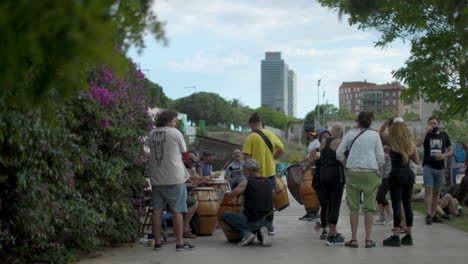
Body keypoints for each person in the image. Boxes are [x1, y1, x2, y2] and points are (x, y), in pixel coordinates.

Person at [336, 110, 384, 248]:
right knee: (369, 207)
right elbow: (380, 157)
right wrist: (380, 174)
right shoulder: (375, 135)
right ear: (370, 122)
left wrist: (346, 165)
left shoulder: (350, 134)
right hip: (370, 172)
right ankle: (368, 240)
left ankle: (354, 239)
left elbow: (339, 153)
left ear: (357, 121)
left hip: (353, 172)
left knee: (354, 207)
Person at [148, 110, 195, 251]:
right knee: (178, 210)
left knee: (156, 210)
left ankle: (157, 242)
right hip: (174, 177)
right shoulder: (175, 133)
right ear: (169, 121)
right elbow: (185, 155)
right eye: (174, 121)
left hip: (156, 178)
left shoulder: (151, 134)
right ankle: (180, 243)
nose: (175, 124)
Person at [242, 112, 284, 235]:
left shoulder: (251, 137)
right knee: (268, 201)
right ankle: (269, 227)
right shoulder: (271, 134)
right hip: (270, 173)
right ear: (261, 123)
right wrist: (273, 158)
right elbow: (282, 149)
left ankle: (254, 227)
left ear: (251, 124)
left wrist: (246, 173)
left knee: (253, 201)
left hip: (256, 175)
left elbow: (247, 158)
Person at [382, 117, 420, 247]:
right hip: (408, 174)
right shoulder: (410, 142)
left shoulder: (392, 141)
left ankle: (396, 236)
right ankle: (409, 236)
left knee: (397, 205)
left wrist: (388, 120)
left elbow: (381, 132)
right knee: (407, 205)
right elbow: (417, 161)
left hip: (396, 174)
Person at [221, 159, 274, 247]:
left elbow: (232, 194)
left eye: (244, 171)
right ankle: (264, 231)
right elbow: (273, 194)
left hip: (252, 221)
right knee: (260, 237)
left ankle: (246, 234)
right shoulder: (268, 182)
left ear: (249, 171)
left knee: (225, 215)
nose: (243, 173)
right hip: (268, 221)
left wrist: (226, 192)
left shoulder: (246, 182)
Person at [415, 116, 453, 225]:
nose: (432, 125)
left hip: (440, 168)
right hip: (428, 167)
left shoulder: (444, 135)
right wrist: (426, 132)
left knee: (436, 193)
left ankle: (433, 215)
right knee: (428, 190)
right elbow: (417, 144)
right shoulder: (426, 135)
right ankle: (427, 215)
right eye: (430, 123)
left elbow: (451, 151)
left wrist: (444, 155)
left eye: (434, 123)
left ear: (438, 124)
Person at [316, 123, 346, 246]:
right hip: (335, 175)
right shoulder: (340, 142)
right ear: (341, 133)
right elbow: (343, 158)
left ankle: (331, 231)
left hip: (323, 175)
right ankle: (332, 235)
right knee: (335, 205)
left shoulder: (323, 142)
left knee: (326, 204)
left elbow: (318, 155)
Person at [296, 126, 326, 221]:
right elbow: (310, 156)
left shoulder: (317, 142)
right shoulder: (312, 142)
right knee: (307, 191)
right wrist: (303, 160)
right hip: (309, 168)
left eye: (305, 133)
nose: (305, 135)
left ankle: (315, 213)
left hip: (313, 169)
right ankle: (309, 212)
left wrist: (309, 164)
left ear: (308, 133)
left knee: (312, 191)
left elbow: (317, 155)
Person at [375, 143, 393, 225]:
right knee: (378, 197)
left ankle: (389, 216)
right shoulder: (383, 155)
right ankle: (382, 216)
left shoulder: (386, 155)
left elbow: (379, 161)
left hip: (386, 178)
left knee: (381, 197)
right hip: (381, 178)